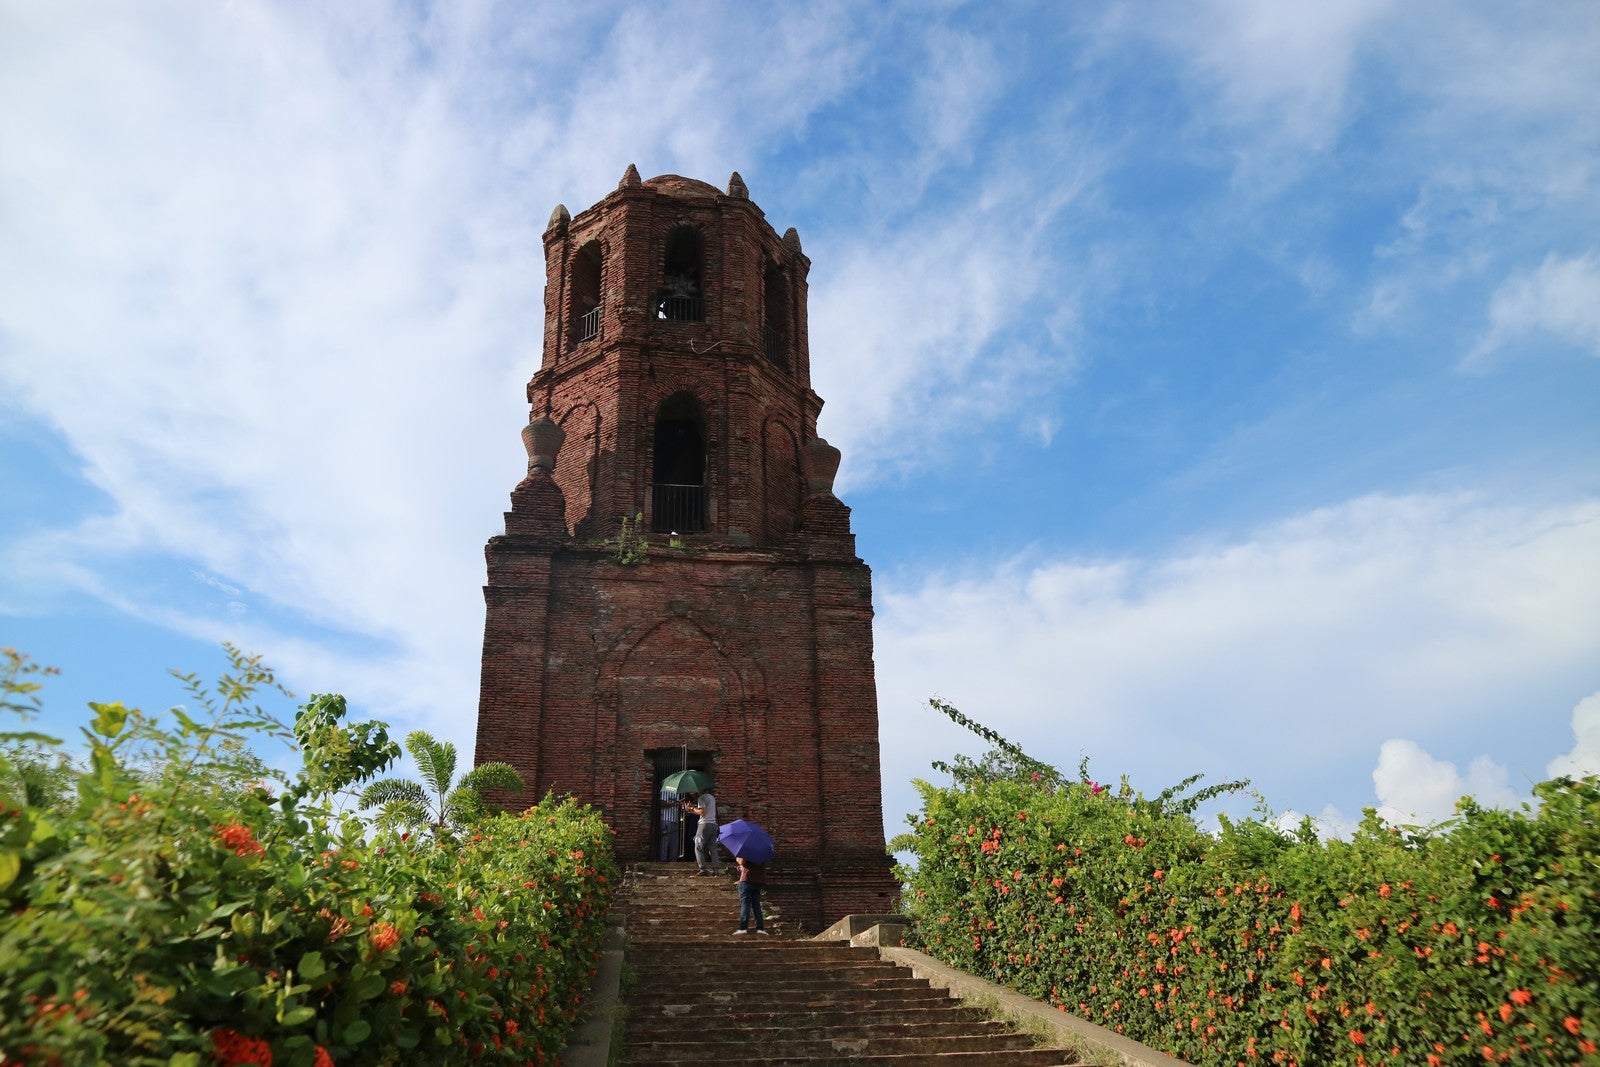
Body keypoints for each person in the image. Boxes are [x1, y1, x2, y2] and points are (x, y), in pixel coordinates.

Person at [682, 790, 720, 875]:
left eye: (693, 792)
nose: (692, 794)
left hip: (704, 825)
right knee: (712, 848)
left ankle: (703, 869)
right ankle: (716, 869)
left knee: (698, 847)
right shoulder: (711, 797)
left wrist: (691, 809)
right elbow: (705, 809)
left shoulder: (701, 798)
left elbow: (702, 812)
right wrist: (694, 807)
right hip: (713, 825)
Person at [732, 855, 768, 935]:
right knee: (756, 905)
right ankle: (760, 928)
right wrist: (742, 868)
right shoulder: (761, 852)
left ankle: (743, 927)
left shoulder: (746, 849)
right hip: (757, 881)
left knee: (745, 904)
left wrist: (737, 858)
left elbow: (742, 861)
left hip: (746, 880)